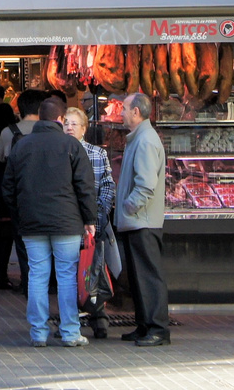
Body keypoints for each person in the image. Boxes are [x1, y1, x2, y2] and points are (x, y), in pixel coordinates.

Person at [3, 99, 97, 348]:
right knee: (66, 276)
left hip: (32, 223)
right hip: (67, 222)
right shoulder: (71, 145)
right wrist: (89, 219)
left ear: (38, 119)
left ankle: (38, 332)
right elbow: (85, 187)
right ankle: (69, 332)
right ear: (60, 119)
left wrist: (20, 214)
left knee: (37, 275)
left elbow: (8, 187)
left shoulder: (21, 146)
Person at [114, 93, 169, 346]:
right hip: (137, 220)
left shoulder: (145, 141)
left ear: (136, 112)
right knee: (139, 277)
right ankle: (145, 324)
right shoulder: (139, 138)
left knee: (148, 276)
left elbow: (146, 186)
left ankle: (157, 328)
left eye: (124, 109)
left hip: (142, 221)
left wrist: (129, 206)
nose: (120, 113)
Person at [64, 106, 116, 339]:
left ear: (84, 129)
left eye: (74, 124)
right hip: (68, 222)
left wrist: (99, 215)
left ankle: (98, 316)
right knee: (70, 272)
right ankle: (71, 318)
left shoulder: (97, 153)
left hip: (93, 223)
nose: (69, 127)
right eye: (66, 123)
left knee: (94, 269)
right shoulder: (59, 152)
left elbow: (107, 185)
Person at [0, 89, 44, 292]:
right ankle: (47, 282)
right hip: (47, 194)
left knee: (22, 242)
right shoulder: (52, 129)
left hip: (19, 195)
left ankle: (27, 282)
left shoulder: (9, 132)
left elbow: (0, 157)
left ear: (19, 108)